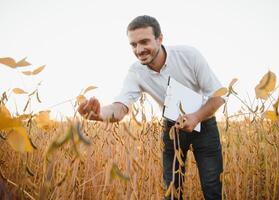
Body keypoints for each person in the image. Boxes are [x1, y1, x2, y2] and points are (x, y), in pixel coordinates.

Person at [78, 15, 224, 200]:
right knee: (171, 190)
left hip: (204, 124)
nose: (139, 50)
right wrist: (99, 114)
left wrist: (195, 117)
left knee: (212, 187)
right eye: (133, 44)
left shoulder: (189, 55)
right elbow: (121, 107)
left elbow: (218, 96)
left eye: (144, 42)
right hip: (173, 128)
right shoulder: (136, 72)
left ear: (160, 39)